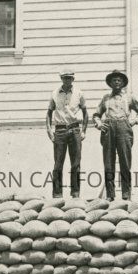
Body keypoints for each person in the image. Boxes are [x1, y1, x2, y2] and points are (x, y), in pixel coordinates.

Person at [92, 70, 138, 201]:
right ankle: (110, 195)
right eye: (114, 80)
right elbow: (96, 115)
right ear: (110, 83)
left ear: (122, 83)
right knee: (108, 163)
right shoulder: (106, 98)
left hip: (123, 128)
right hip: (109, 128)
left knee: (125, 162)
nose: (116, 82)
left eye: (119, 80)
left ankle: (126, 195)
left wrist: (133, 121)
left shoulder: (129, 97)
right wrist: (99, 124)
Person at [46, 70, 87, 198]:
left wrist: (84, 131)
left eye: (69, 78)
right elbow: (49, 113)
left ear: (73, 79)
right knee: (58, 164)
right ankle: (57, 194)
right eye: (65, 78)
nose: (67, 80)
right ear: (61, 79)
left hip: (74, 129)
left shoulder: (79, 93)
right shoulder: (54, 93)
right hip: (60, 130)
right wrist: (49, 130)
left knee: (76, 164)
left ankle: (75, 193)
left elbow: (85, 113)